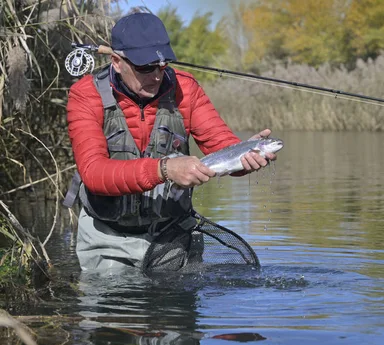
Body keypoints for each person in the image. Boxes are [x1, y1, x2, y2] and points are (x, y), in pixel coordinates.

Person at [64, 12, 276, 276]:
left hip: (173, 235)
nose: (156, 76)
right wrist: (165, 169)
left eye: (162, 65)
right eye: (145, 67)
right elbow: (94, 174)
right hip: (108, 236)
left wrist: (245, 154)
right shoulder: (86, 95)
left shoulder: (186, 89)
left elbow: (222, 146)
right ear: (117, 62)